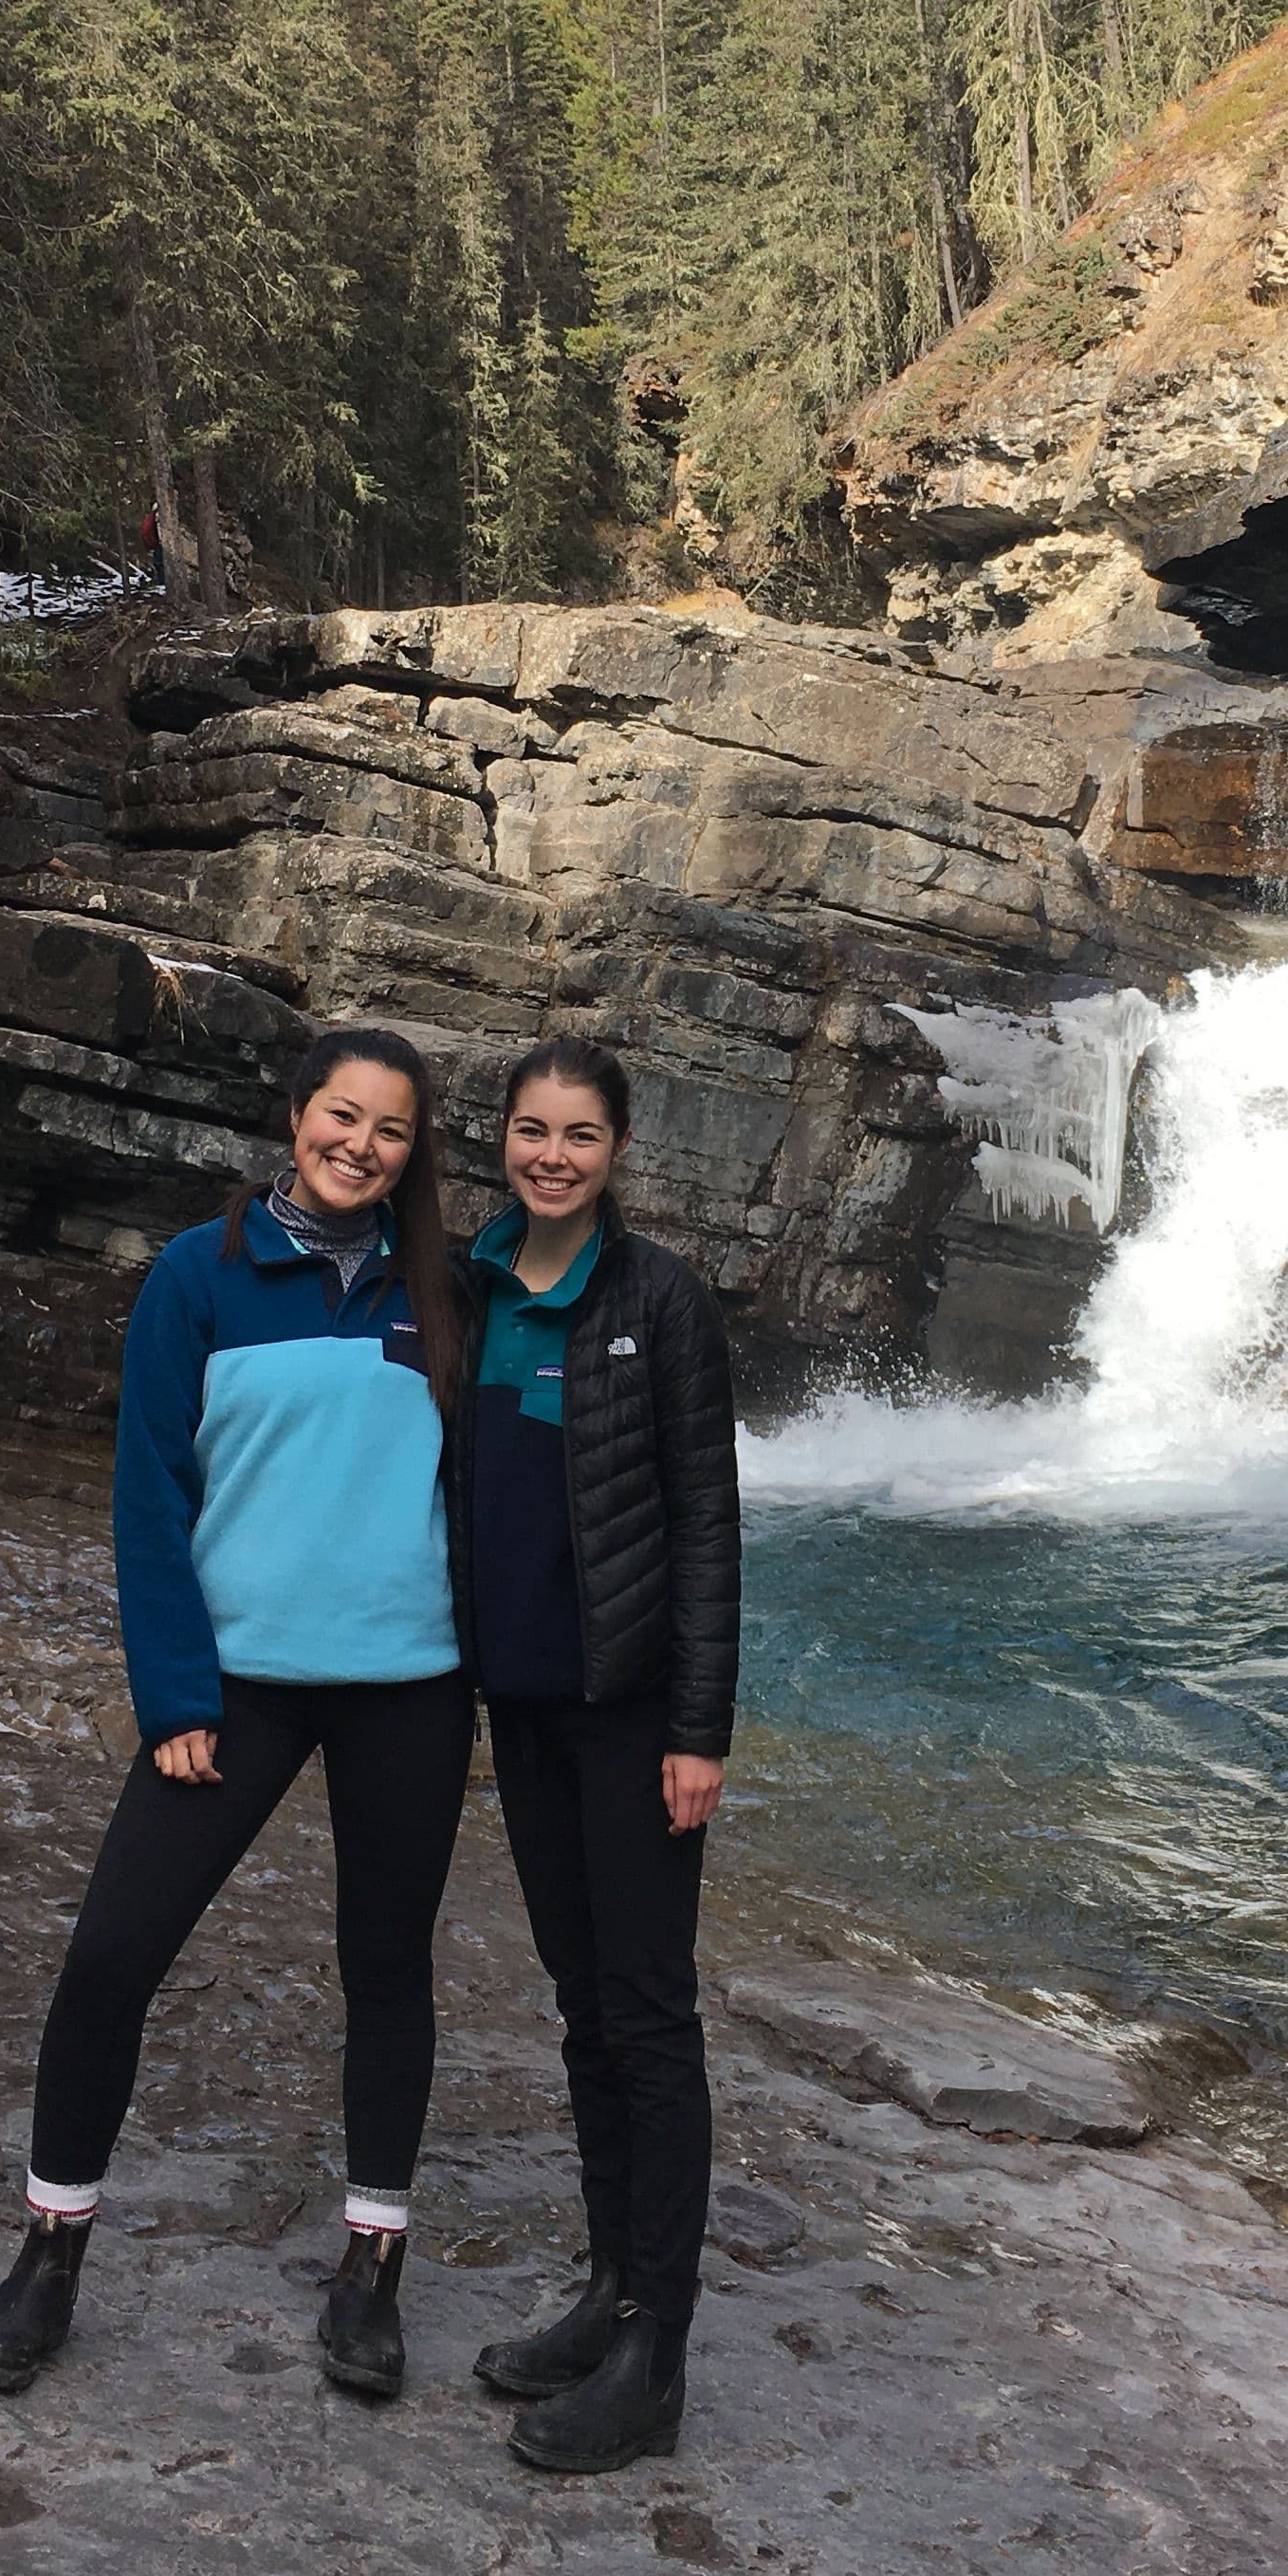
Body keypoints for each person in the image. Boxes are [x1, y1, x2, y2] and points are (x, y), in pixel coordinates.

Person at [0, 1025, 471, 2404]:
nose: (360, 1145)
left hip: (412, 1688)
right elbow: (149, 1491)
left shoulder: (448, 1293)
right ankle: (51, 2250)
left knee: (389, 1975)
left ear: (417, 1152)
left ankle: (372, 2270)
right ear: (294, 1114)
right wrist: (174, 1688)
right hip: (236, 1684)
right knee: (113, 1956)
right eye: (340, 1116)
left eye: (391, 1130)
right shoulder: (202, 1274)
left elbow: (495, 1495)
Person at [449, 1038, 742, 2474]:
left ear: (619, 1150)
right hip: (523, 1705)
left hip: (630, 1715)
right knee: (581, 2006)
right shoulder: (472, 1286)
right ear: (500, 1141)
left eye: (579, 1134)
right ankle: (608, 2293)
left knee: (647, 2013)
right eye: (530, 1130)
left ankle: (656, 2356)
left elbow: (706, 1523)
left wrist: (700, 1731)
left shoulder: (662, 1300)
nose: (551, 1154)